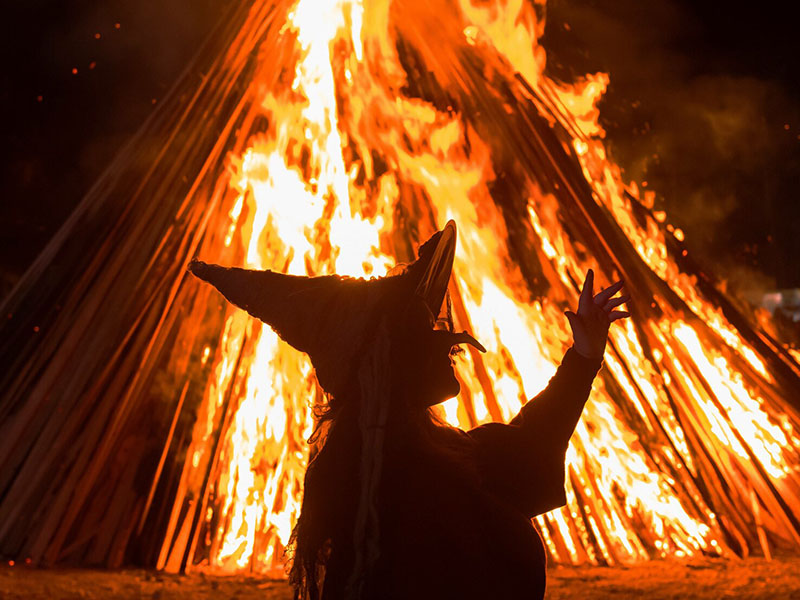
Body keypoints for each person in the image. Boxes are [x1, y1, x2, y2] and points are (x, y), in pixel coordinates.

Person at [189, 221, 629, 599]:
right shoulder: (389, 485)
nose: (446, 337)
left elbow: (526, 442)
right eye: (422, 329)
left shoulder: (437, 458)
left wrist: (583, 359)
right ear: (386, 361)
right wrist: (582, 363)